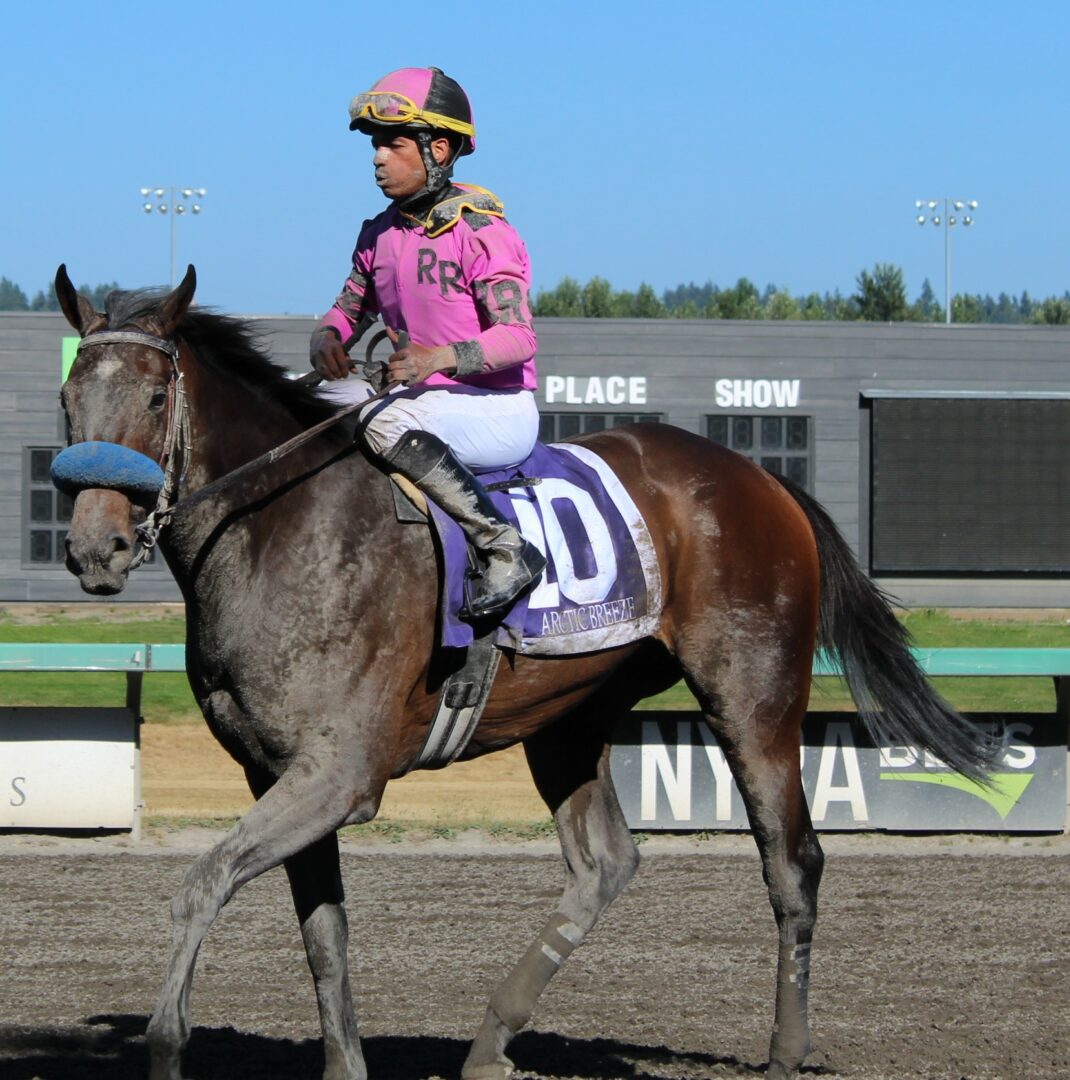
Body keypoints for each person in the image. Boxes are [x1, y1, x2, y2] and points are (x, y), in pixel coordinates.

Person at [310, 66, 546, 621]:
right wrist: (327, 337)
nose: (378, 158)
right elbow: (348, 310)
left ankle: (504, 548)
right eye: (375, 145)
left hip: (494, 408)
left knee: (384, 422)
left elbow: (519, 337)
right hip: (421, 401)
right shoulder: (378, 233)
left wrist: (439, 359)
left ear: (438, 149)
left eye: (393, 144)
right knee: (305, 408)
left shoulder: (483, 232)